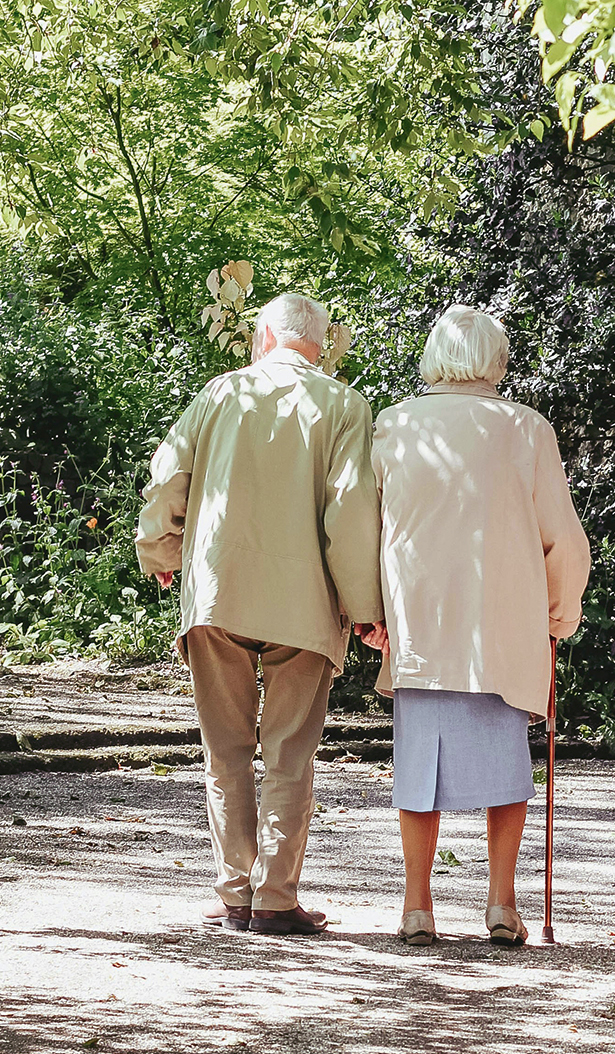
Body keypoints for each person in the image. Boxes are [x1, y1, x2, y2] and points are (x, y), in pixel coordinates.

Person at [135, 293, 383, 935]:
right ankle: (275, 899)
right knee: (289, 752)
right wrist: (365, 608)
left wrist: (160, 547)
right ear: (319, 346)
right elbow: (350, 513)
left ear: (264, 335)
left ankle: (233, 892)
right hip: (304, 602)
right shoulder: (345, 406)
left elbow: (169, 478)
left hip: (220, 591)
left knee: (224, 749)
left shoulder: (219, 394)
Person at [362, 305, 590, 946]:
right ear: (498, 359)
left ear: (435, 355)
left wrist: (369, 611)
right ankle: (501, 902)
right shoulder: (525, 429)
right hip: (503, 624)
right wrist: (559, 614)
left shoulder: (395, 424)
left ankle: (416, 906)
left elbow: (366, 528)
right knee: (506, 767)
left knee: (417, 767)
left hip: (422, 622)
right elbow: (563, 538)